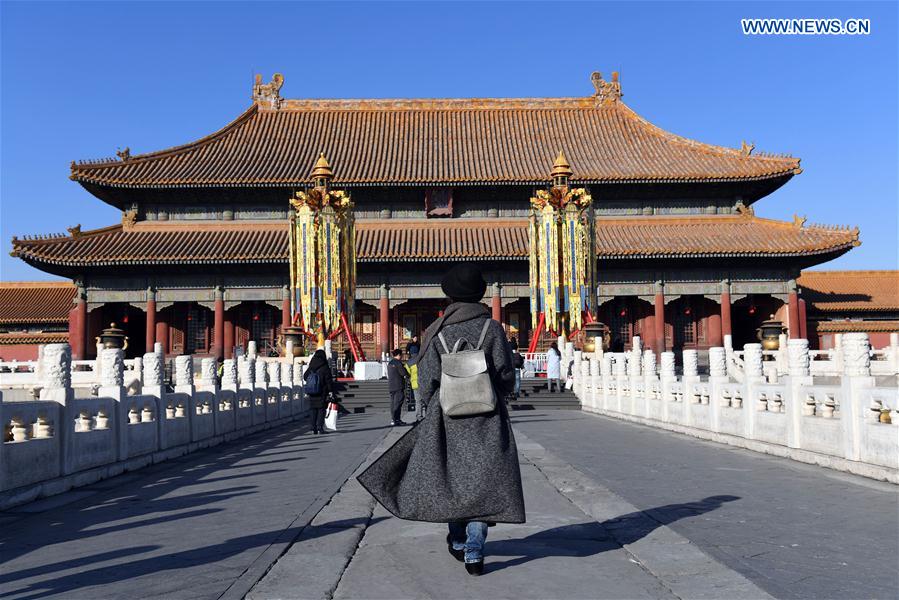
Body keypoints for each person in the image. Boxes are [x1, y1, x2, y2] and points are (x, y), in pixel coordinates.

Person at [358, 263, 525, 576]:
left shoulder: (437, 332)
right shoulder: (492, 329)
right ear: (479, 294)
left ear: (451, 296)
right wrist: (499, 389)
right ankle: (475, 549)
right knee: (485, 480)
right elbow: (504, 372)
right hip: (487, 416)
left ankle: (459, 541)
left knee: (451, 478)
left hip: (447, 417)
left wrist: (429, 403)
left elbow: (428, 378)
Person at [304, 349, 335, 434]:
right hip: (322, 392)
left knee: (313, 409)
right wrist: (331, 391)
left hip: (312, 391)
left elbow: (305, 377)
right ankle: (319, 427)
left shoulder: (311, 366)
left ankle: (312, 427)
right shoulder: (325, 366)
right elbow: (328, 380)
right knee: (321, 409)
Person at [387, 348, 410, 426]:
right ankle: (396, 419)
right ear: (399, 355)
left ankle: (393, 419)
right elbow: (403, 373)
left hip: (391, 386)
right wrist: (407, 373)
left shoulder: (390, 363)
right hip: (398, 385)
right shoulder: (398, 363)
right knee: (398, 403)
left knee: (393, 403)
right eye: (401, 355)